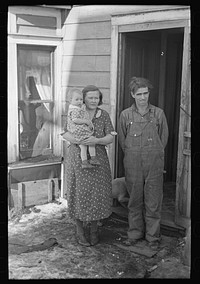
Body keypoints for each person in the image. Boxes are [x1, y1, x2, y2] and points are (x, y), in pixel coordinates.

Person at [62, 85, 117, 246]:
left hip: (97, 158)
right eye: (90, 97)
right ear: (83, 98)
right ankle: (80, 232)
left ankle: (94, 231)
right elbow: (64, 132)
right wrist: (77, 139)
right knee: (79, 193)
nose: (94, 100)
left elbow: (110, 136)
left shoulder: (104, 115)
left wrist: (97, 140)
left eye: (96, 98)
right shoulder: (76, 111)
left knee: (96, 195)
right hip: (77, 158)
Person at [118, 77, 169, 250]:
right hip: (132, 163)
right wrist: (133, 155)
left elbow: (163, 139)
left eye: (145, 93)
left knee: (153, 201)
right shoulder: (125, 115)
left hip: (154, 163)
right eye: (139, 94)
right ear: (132, 94)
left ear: (149, 93)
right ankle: (134, 234)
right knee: (134, 200)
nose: (142, 97)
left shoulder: (158, 114)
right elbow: (123, 141)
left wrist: (153, 153)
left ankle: (153, 237)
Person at [64, 88, 100, 169]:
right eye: (77, 99)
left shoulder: (78, 108)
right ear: (70, 100)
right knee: (90, 141)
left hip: (77, 131)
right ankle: (93, 158)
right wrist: (87, 122)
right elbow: (75, 120)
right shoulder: (74, 110)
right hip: (78, 131)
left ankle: (85, 162)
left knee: (84, 147)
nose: (79, 101)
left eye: (81, 99)